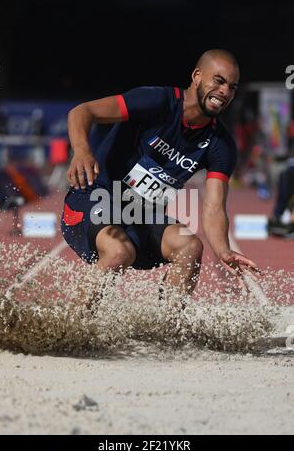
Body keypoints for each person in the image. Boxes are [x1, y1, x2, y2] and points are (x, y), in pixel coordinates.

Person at [62, 49, 258, 302]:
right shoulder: (155, 101)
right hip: (94, 199)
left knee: (189, 246)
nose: (225, 92)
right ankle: (69, 326)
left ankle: (166, 332)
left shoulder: (221, 145)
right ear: (197, 76)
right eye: (218, 81)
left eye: (232, 87)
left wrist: (223, 250)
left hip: (140, 214)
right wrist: (81, 150)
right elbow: (82, 112)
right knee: (119, 251)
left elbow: (213, 208)